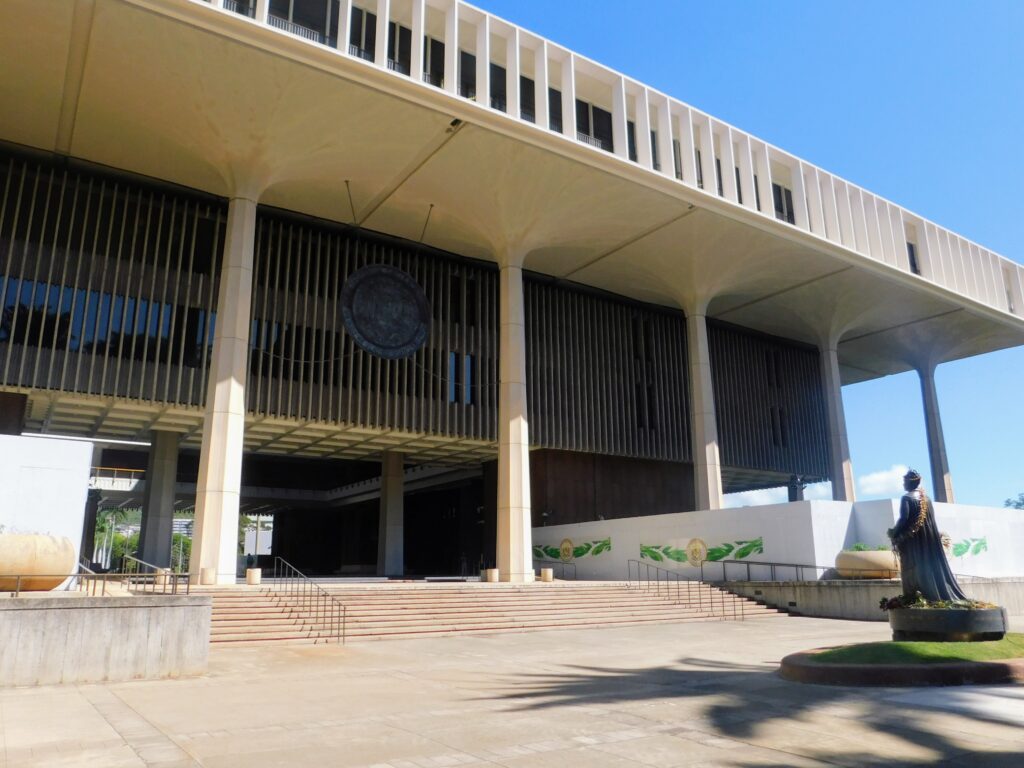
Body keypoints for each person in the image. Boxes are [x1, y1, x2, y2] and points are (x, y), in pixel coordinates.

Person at [887, 469, 966, 602]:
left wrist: (894, 533)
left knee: (911, 568)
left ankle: (915, 597)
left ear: (910, 483)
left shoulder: (906, 498)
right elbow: (931, 521)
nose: (903, 484)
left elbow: (904, 519)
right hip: (928, 540)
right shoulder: (926, 498)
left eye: (904, 481)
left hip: (913, 541)